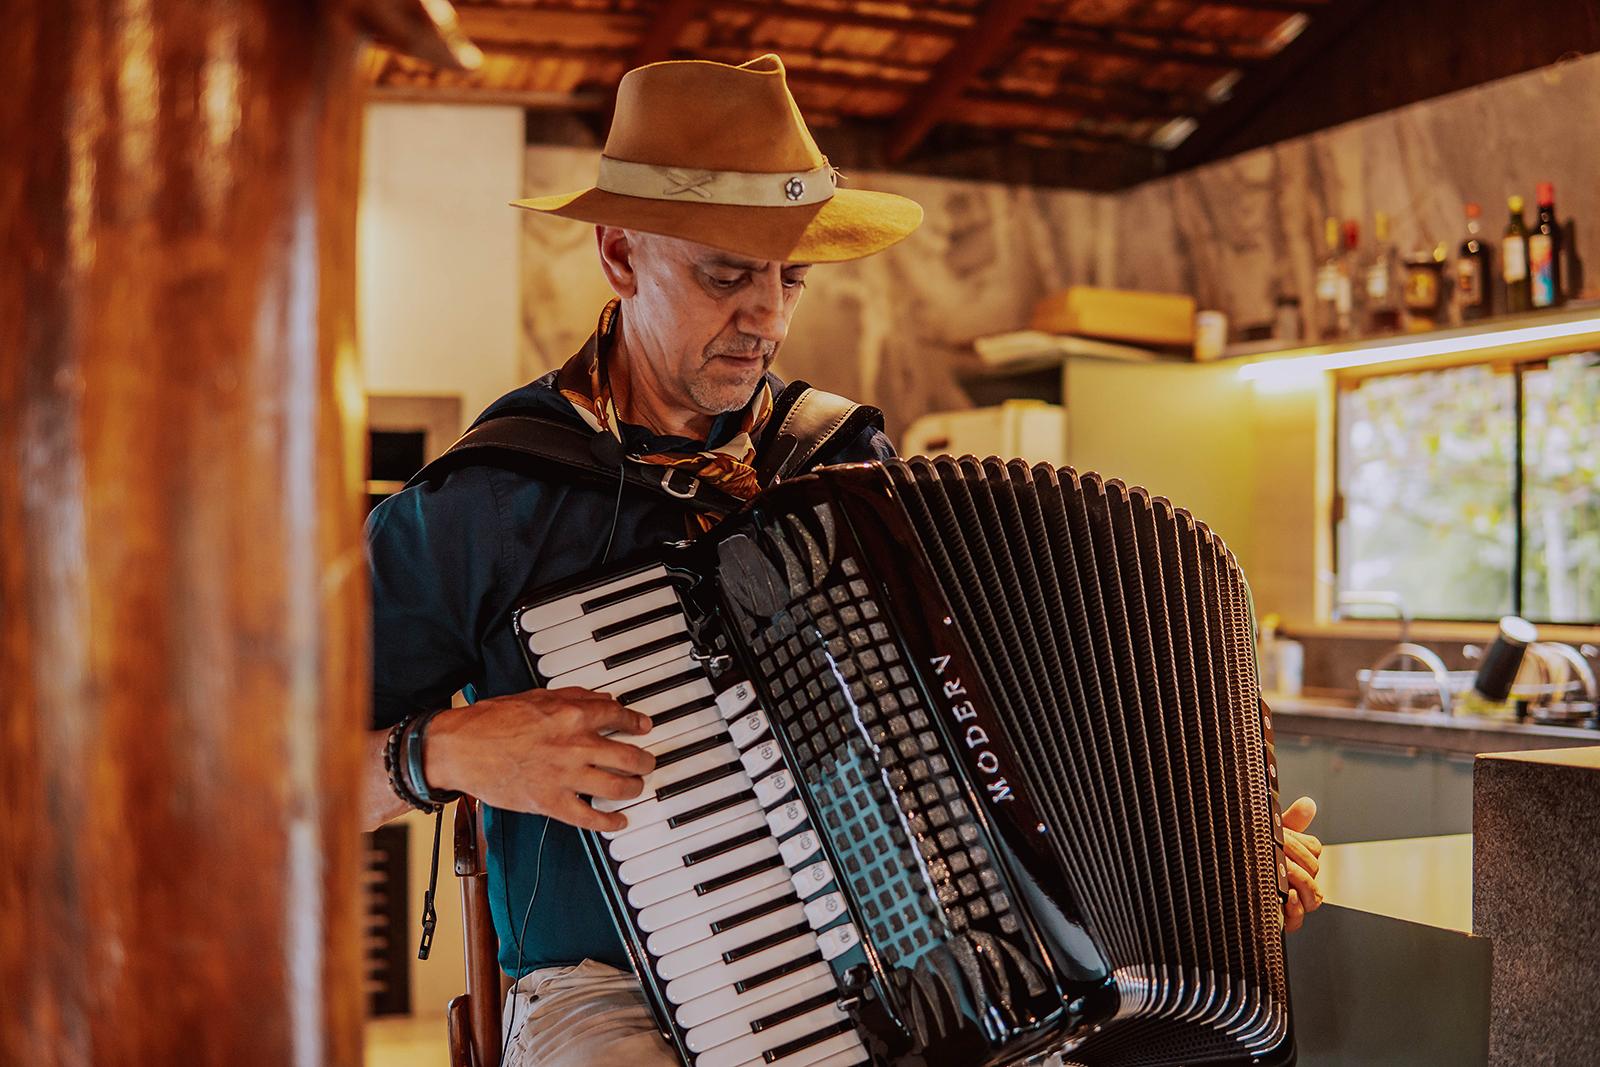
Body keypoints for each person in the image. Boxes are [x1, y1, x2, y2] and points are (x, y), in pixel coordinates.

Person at [361, 53, 1323, 1067]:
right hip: (610, 992)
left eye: (790, 279)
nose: (767, 317)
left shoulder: (844, 467)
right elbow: (259, 779)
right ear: (617, 253)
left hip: (900, 964)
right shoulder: (484, 501)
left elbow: (984, 735)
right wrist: (449, 752)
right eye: (725, 274)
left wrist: (1206, 861)